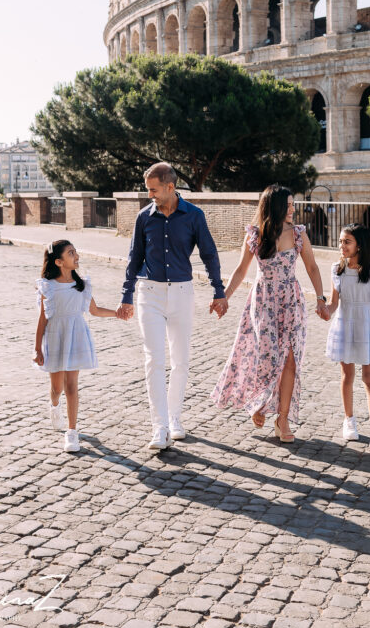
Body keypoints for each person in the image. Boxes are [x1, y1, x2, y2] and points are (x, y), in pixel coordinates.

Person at [116, 163, 228, 451]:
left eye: (153, 189)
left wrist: (219, 291)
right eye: (147, 190)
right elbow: (133, 258)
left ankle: (175, 418)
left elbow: (209, 254)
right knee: (154, 359)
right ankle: (159, 426)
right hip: (149, 293)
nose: (150, 194)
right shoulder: (144, 218)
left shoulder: (194, 216)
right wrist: (126, 296)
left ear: (170, 187)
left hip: (181, 293)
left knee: (180, 359)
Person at [211, 184, 329, 442]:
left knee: (290, 359)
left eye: (292, 204)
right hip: (263, 301)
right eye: (287, 205)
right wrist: (224, 298)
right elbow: (241, 271)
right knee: (264, 356)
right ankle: (259, 402)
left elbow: (312, 267)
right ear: (273, 207)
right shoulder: (254, 234)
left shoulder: (298, 234)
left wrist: (321, 299)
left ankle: (283, 418)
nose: (292, 209)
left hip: (291, 301)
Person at [33, 239, 125, 453]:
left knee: (72, 386)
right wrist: (37, 349)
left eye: (75, 252)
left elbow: (94, 310)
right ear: (58, 262)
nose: (77, 256)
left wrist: (117, 313)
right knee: (57, 388)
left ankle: (72, 432)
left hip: (76, 336)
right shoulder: (48, 286)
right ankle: (55, 406)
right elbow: (42, 319)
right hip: (55, 337)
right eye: (71, 253)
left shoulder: (81, 284)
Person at [324, 223, 370, 451]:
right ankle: (349, 420)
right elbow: (334, 303)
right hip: (345, 325)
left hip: (368, 328)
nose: (341, 245)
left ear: (359, 245)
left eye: (347, 241)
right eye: (341, 241)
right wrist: (325, 310)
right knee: (347, 375)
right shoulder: (338, 270)